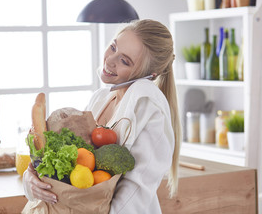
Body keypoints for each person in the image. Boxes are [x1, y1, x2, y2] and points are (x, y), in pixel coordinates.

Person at [23, 19, 181, 213]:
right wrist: (31, 180)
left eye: (124, 61)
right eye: (113, 47)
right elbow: (72, 165)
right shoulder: (99, 99)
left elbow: (136, 191)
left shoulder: (147, 103)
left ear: (149, 75)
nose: (110, 60)